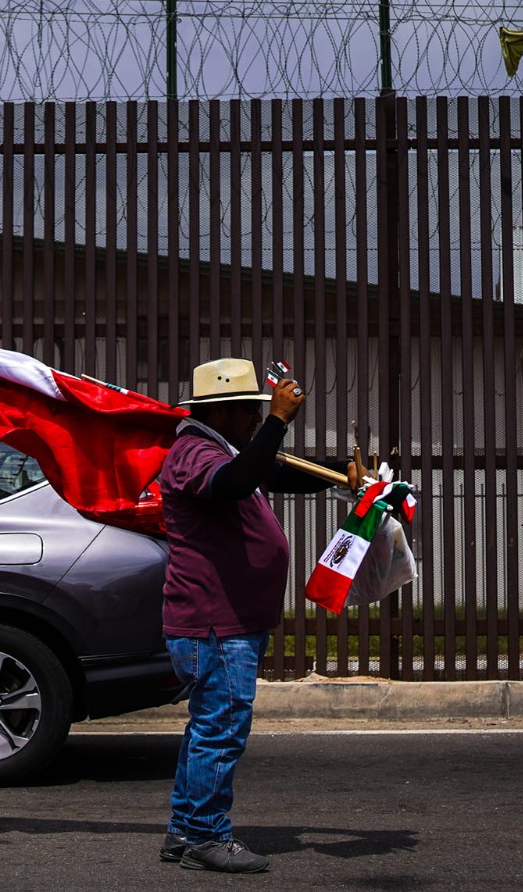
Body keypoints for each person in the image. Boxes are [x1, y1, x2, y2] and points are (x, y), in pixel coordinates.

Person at [158, 357, 364, 874]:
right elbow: (234, 481)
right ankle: (206, 834)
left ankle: (185, 832)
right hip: (214, 622)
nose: (255, 418)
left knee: (208, 726)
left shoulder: (224, 448)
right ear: (221, 411)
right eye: (248, 410)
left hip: (227, 621)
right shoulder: (192, 452)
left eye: (257, 409)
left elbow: (273, 472)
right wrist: (277, 421)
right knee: (220, 729)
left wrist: (344, 474)